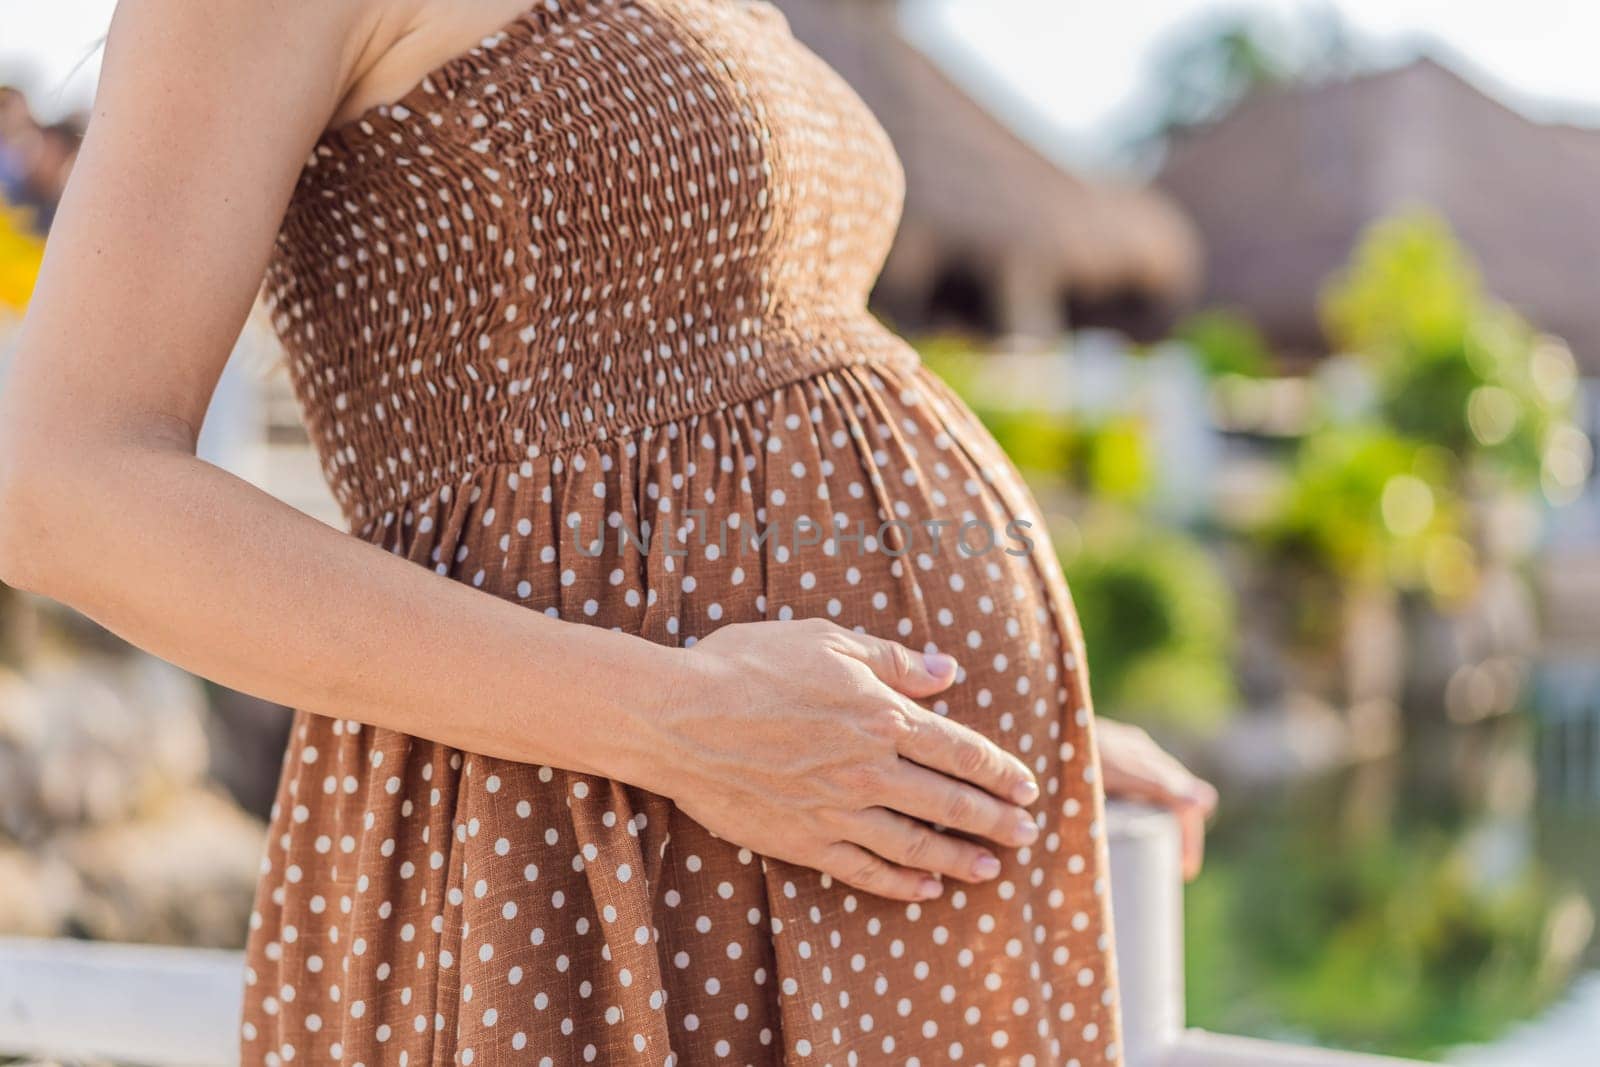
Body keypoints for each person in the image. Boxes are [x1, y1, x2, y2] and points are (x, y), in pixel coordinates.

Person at [0, 1, 1216, 1063]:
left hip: (834, 832)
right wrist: (678, 719)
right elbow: (60, 489)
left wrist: (959, 724)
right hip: (581, 848)